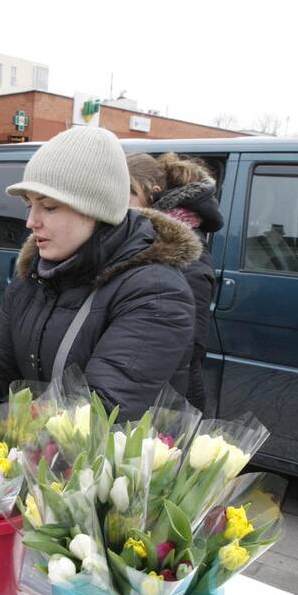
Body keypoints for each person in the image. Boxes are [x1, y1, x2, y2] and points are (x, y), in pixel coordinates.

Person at [0, 127, 201, 421]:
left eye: (48, 207)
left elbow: (100, 409)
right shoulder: (36, 275)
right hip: (38, 456)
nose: (30, 222)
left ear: (95, 209)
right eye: (29, 205)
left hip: (110, 462)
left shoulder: (156, 292)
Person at [127, 152, 222, 413]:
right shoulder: (140, 241)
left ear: (152, 193)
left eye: (127, 193)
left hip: (169, 400)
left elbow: (187, 347)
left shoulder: (184, 252)